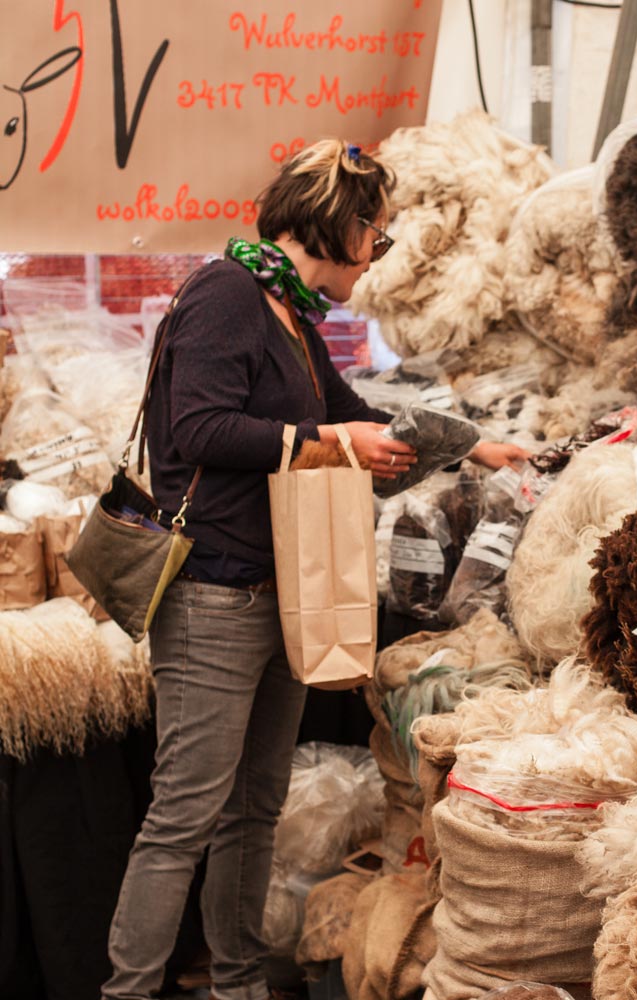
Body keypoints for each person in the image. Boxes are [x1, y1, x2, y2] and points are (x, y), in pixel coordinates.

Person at [102, 139, 528, 1000]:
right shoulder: (227, 295)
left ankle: (237, 986)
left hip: (280, 600)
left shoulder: (290, 318)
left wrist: (474, 444)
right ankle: (126, 994)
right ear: (339, 224)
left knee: (250, 813)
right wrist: (323, 442)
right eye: (378, 234)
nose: (378, 256)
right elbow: (199, 429)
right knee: (182, 820)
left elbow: (359, 416)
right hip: (213, 596)